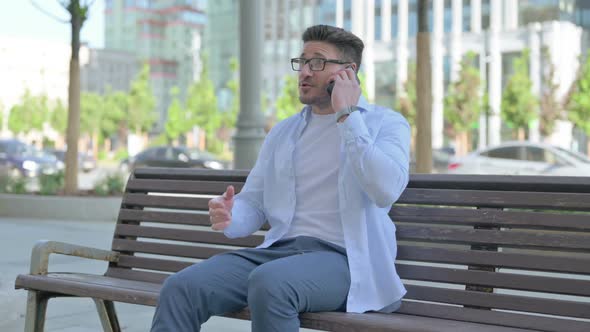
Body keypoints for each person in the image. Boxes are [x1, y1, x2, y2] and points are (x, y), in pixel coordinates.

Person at [151, 24, 411, 332]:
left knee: (272, 283)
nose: (304, 71)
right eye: (302, 61)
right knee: (181, 287)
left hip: (347, 261)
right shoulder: (284, 132)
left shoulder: (386, 124)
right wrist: (232, 215)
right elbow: (255, 202)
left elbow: (386, 190)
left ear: (348, 73)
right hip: (278, 253)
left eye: (317, 62)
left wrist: (347, 115)